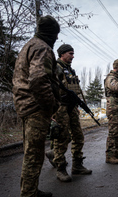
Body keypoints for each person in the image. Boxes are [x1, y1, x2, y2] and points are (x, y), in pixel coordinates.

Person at [12, 15, 60, 197]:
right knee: (34, 155)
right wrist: (51, 106)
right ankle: (29, 194)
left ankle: (31, 190)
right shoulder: (42, 48)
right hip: (36, 108)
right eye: (55, 35)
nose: (56, 39)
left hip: (26, 106)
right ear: (51, 34)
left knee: (32, 152)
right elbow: (39, 80)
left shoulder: (29, 46)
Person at [45, 44, 92, 182]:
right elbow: (49, 88)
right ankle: (60, 168)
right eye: (70, 53)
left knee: (78, 136)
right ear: (62, 54)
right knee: (62, 139)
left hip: (71, 107)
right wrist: (52, 110)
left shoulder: (69, 69)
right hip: (60, 108)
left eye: (73, 53)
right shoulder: (56, 68)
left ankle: (77, 165)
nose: (73, 56)